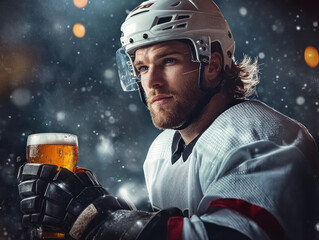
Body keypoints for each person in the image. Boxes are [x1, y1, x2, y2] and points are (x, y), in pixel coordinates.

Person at [18, 0, 319, 239]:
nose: (152, 82)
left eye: (168, 60)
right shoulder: (161, 151)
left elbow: (228, 235)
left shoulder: (263, 139)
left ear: (212, 64)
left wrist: (101, 220)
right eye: (143, 68)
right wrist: (103, 214)